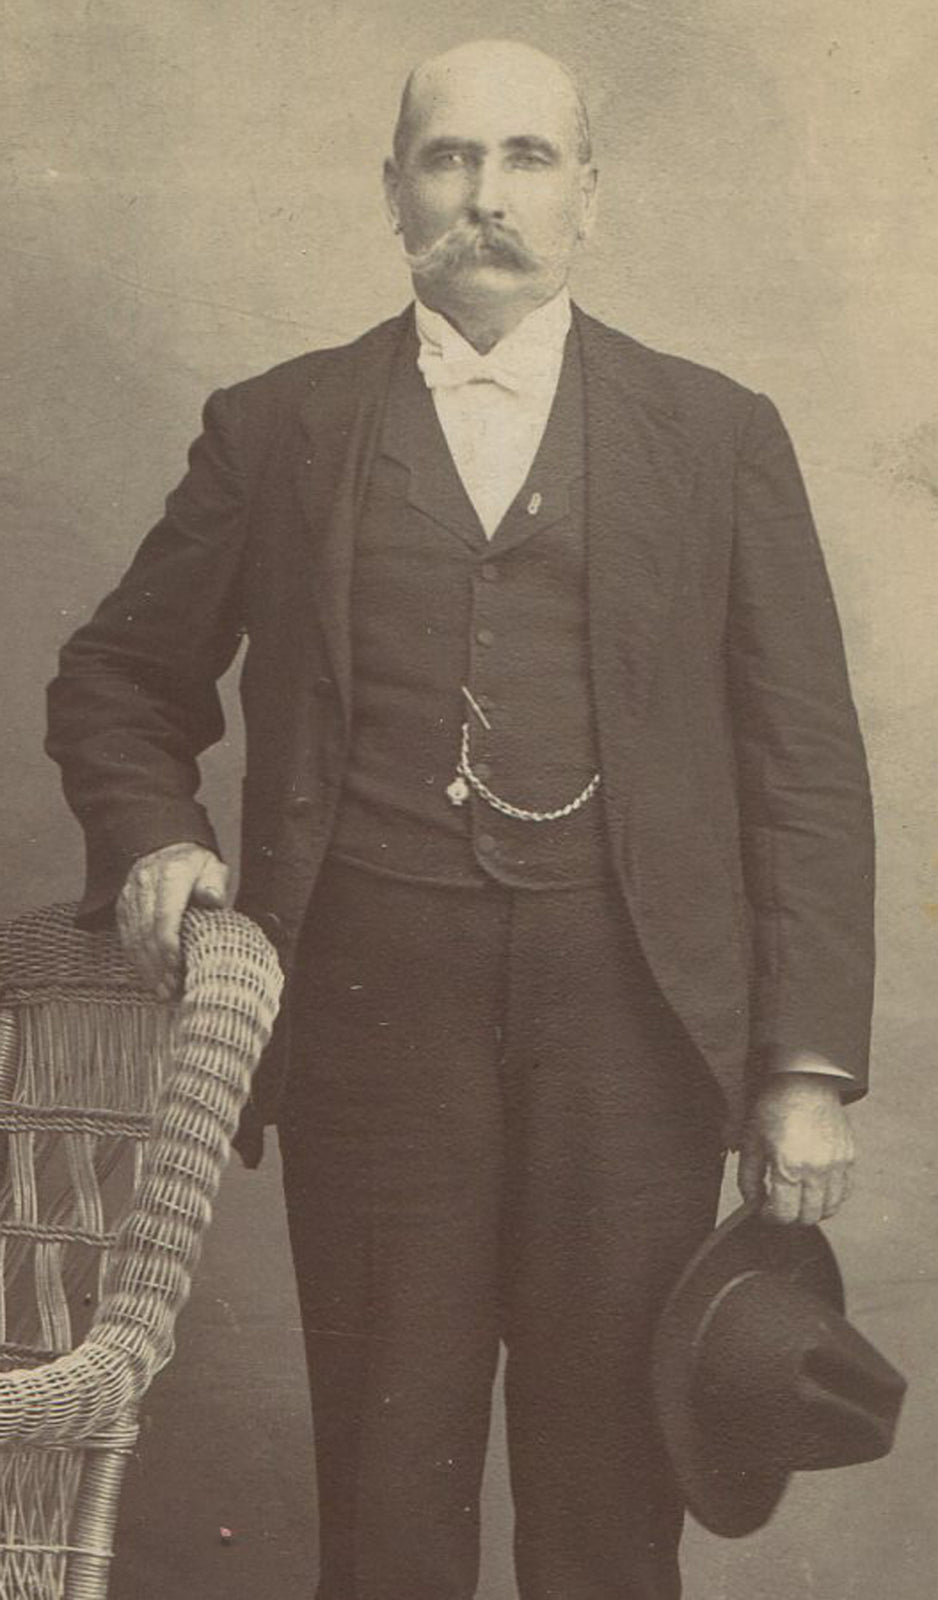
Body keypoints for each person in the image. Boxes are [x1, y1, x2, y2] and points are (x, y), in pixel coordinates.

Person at [45, 38, 874, 1600]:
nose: (483, 197)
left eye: (526, 159)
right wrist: (155, 835)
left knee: (616, 1478)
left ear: (588, 200)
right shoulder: (276, 429)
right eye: (446, 159)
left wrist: (802, 1070)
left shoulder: (715, 434)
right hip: (371, 1015)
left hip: (632, 1027)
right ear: (391, 190)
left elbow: (806, 764)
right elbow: (115, 679)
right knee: (386, 1466)